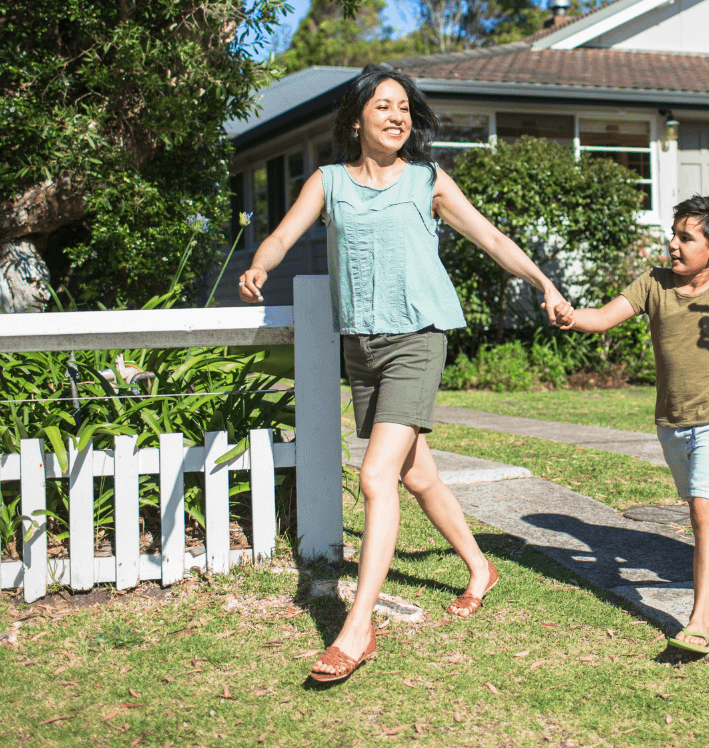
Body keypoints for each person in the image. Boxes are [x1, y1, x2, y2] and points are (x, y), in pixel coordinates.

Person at [238, 64, 569, 684]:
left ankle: (357, 628)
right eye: (384, 106)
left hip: (417, 336)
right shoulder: (329, 181)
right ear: (358, 118)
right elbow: (283, 235)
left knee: (375, 475)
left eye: (405, 109)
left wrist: (543, 282)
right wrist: (259, 263)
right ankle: (480, 566)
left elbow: (491, 237)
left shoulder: (427, 180)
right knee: (417, 473)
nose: (397, 117)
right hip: (361, 345)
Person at [559, 195, 709, 656]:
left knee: (702, 508)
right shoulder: (653, 284)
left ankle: (699, 620)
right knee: (707, 506)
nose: (673, 245)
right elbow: (602, 318)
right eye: (673, 235)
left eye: (685, 238)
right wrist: (571, 316)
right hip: (672, 421)